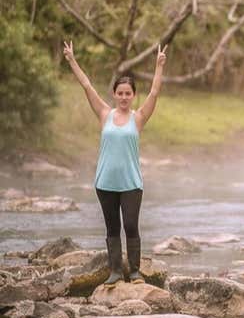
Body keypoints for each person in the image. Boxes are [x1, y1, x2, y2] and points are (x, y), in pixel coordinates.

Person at [63, 41, 167, 288]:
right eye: (119, 93)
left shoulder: (138, 117)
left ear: (133, 96)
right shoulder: (104, 114)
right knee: (112, 227)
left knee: (131, 226)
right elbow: (86, 85)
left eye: (127, 93)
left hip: (131, 183)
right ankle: (115, 271)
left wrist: (159, 66)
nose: (123, 97)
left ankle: (135, 271)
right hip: (105, 182)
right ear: (114, 94)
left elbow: (154, 93)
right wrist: (71, 60)